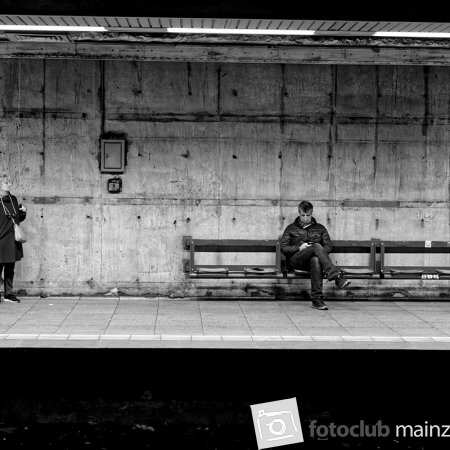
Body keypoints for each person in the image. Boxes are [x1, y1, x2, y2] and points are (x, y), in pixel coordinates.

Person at [280, 201, 350, 310]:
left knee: (315, 259)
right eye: (303, 215)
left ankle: (317, 299)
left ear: (311, 213)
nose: (305, 218)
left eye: (308, 215)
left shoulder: (320, 228)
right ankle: (336, 276)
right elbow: (284, 248)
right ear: (299, 213)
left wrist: (316, 251)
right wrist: (299, 247)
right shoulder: (291, 228)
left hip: (314, 262)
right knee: (316, 246)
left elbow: (328, 247)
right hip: (296, 259)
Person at [0, 176, 26, 303]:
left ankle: (8, 294)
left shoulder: (13, 198)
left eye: (10, 181)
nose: (9, 184)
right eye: (6, 182)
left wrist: (23, 213)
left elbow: (17, 220)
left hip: (12, 238)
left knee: (10, 268)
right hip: (1, 238)